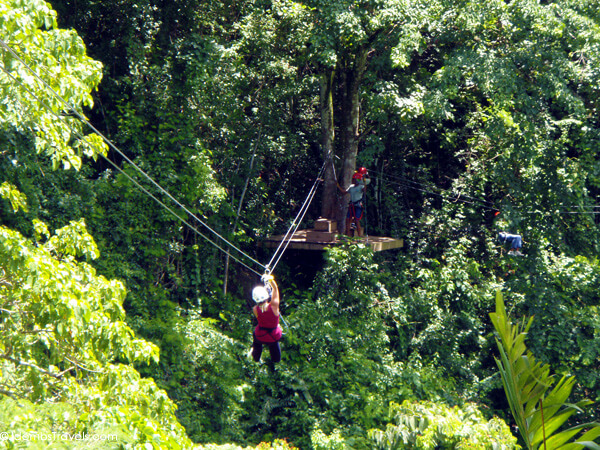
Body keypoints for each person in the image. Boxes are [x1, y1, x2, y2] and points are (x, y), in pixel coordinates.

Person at [251, 275, 283, 364]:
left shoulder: (255, 309)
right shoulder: (274, 306)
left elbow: (262, 312)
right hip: (273, 336)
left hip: (260, 335)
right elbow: (275, 289)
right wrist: (270, 279)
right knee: (274, 344)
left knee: (255, 337)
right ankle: (276, 361)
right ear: (266, 296)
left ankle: (255, 358)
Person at [338, 167, 371, 237]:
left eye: (355, 179)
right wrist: (337, 186)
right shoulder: (351, 187)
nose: (353, 180)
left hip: (358, 205)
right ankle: (348, 235)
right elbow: (344, 192)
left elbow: (364, 189)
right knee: (348, 220)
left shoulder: (361, 186)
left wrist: (366, 177)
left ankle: (359, 236)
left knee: (357, 220)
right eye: (353, 179)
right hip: (352, 205)